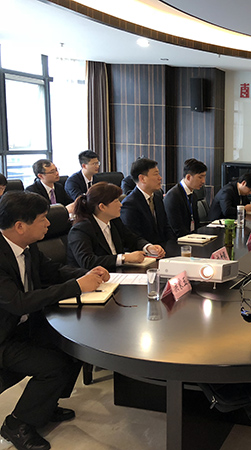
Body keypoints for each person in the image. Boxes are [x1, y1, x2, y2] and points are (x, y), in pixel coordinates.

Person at [0, 191, 109, 450]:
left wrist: (87, 274)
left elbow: (54, 270)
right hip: (4, 337)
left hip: (24, 326)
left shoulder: (28, 247)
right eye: (42, 219)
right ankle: (17, 423)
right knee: (54, 366)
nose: (49, 224)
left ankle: (45, 405)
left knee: (75, 346)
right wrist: (77, 286)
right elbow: (18, 302)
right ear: (20, 226)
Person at [67, 182, 165, 271]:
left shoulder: (114, 221)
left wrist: (148, 247)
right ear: (102, 207)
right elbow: (88, 261)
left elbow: (132, 239)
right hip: (93, 278)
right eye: (116, 201)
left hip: (117, 273)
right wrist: (124, 258)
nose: (120, 204)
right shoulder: (81, 229)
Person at [120, 158, 172, 246]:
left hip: (162, 248)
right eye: (156, 174)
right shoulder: (129, 204)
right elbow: (133, 238)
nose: (160, 178)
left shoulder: (157, 197)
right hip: (144, 250)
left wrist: (172, 245)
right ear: (142, 178)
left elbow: (166, 226)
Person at [164, 158, 207, 237]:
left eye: (204, 177)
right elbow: (177, 229)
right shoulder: (173, 196)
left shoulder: (193, 195)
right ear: (188, 177)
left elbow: (196, 222)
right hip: (178, 240)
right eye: (200, 177)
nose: (203, 181)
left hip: (191, 236)